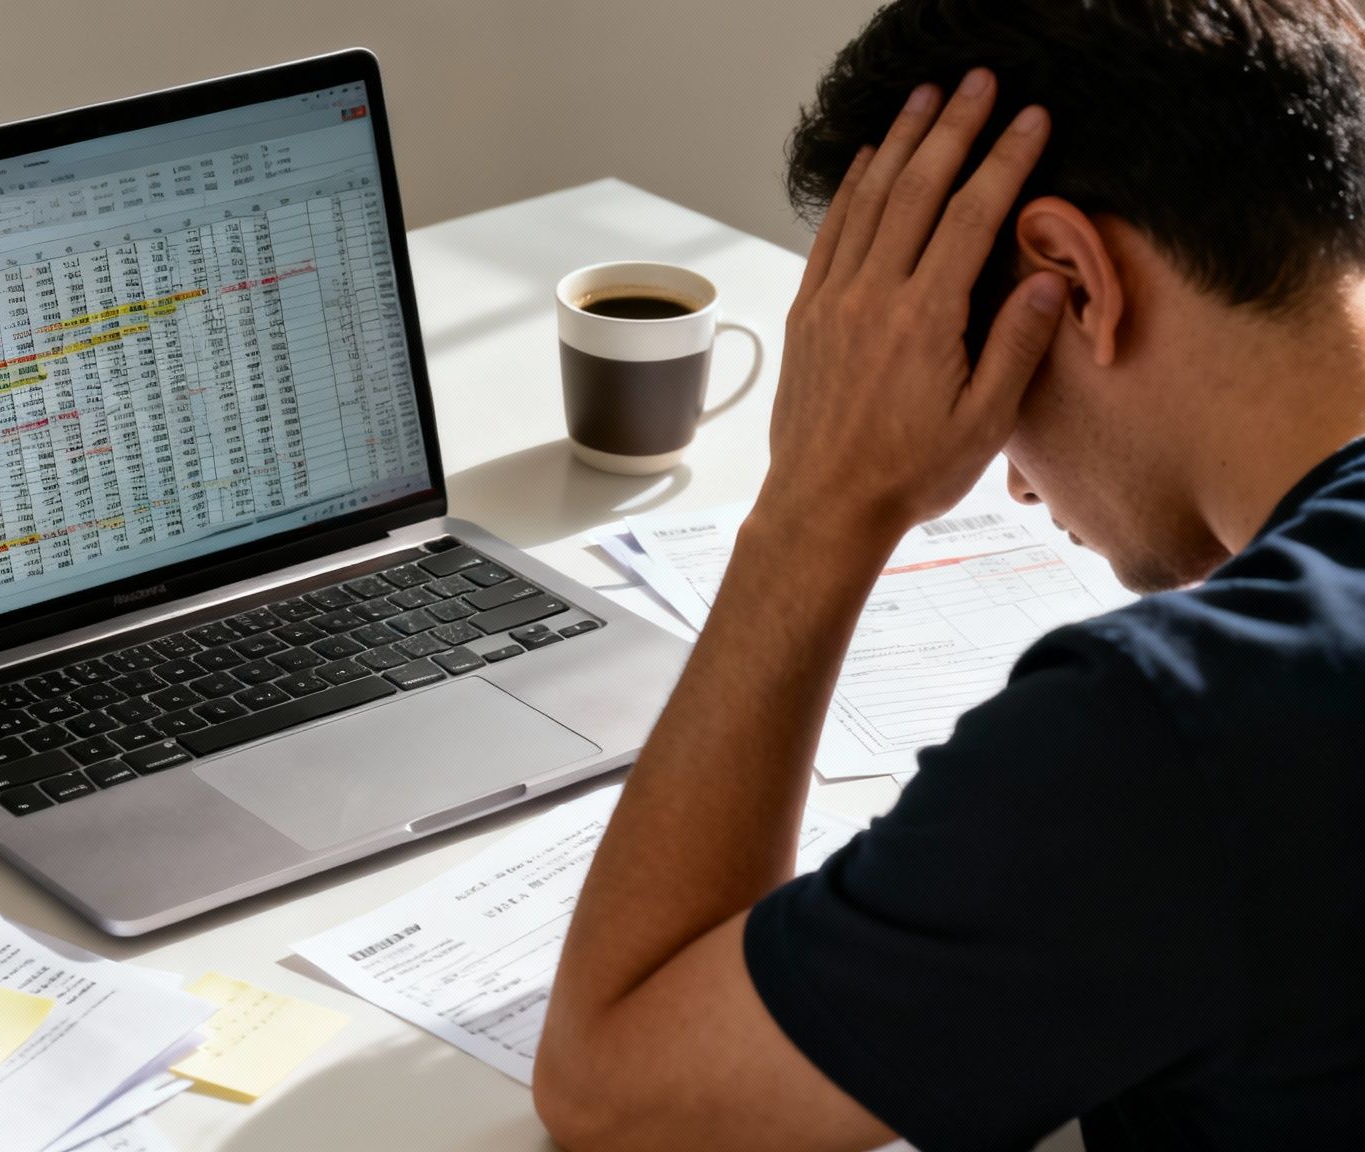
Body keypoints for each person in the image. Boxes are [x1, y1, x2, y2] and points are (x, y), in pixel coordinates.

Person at [531, 1, 1365, 1149]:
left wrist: (819, 498)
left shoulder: (1179, 722)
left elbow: (614, 1095)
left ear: (1069, 279)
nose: (1014, 485)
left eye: (985, 391)